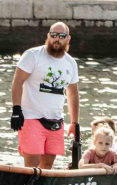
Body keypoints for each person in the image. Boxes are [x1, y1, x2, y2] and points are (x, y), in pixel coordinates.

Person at [10, 22, 80, 169]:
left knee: (47, 165)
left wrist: (74, 122)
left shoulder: (71, 63)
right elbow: (17, 82)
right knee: (32, 164)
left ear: (68, 39)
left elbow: (72, 93)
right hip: (31, 117)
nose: (57, 39)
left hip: (55, 119)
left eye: (62, 36)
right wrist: (16, 110)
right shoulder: (33, 55)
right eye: (54, 35)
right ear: (48, 36)